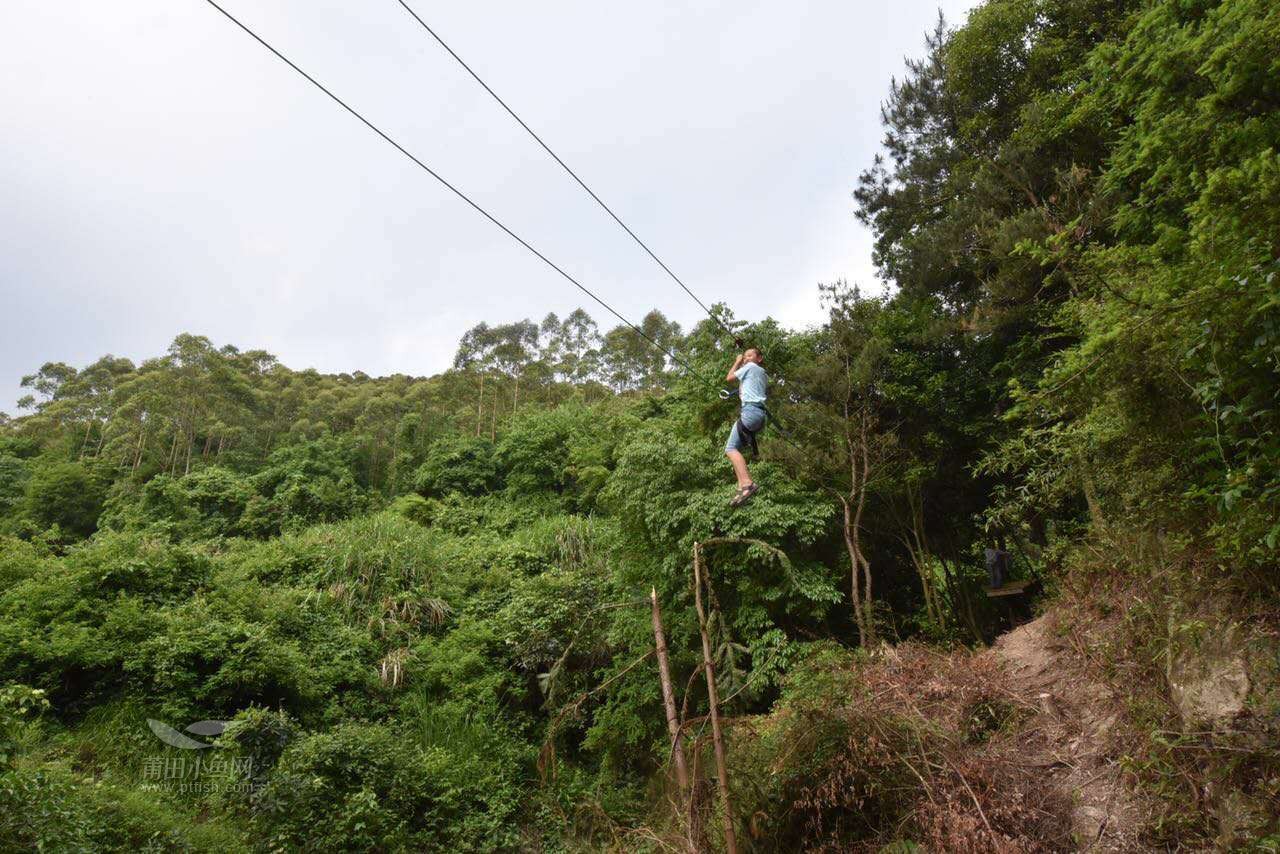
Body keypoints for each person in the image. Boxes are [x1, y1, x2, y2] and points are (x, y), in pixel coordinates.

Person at [724, 347, 767, 506]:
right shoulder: (761, 373)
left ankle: (747, 483)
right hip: (758, 414)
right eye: (745, 357)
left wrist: (737, 361)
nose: (746, 358)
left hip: (750, 412)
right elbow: (745, 388)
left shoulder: (749, 367)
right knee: (734, 447)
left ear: (759, 358)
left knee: (730, 448)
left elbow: (729, 378)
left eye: (750, 355)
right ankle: (742, 485)